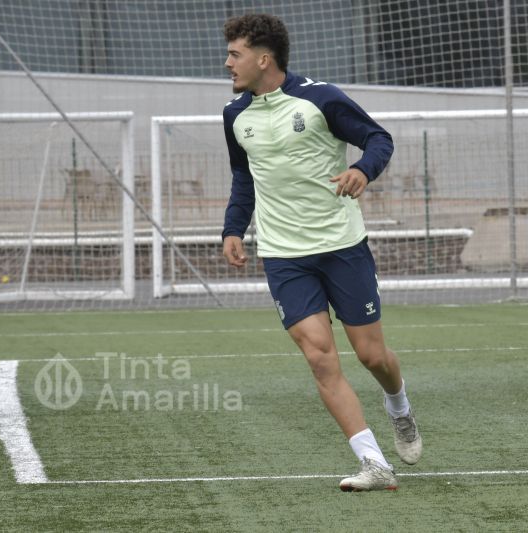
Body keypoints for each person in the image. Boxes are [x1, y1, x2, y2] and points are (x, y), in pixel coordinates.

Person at [220, 14, 422, 491]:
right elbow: (244, 176)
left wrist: (363, 172)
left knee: (372, 355)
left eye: (235, 53)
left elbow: (378, 138)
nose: (227, 62)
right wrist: (233, 228)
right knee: (319, 356)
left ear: (263, 58)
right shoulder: (234, 115)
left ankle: (400, 407)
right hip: (284, 254)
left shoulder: (320, 98)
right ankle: (374, 463)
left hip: (342, 247)